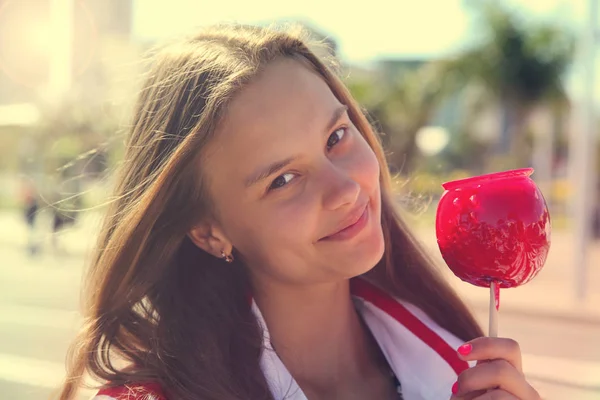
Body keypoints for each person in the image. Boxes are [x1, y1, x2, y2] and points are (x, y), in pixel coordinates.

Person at [58, 24, 541, 400]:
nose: (345, 190)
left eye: (336, 137)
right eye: (283, 180)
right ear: (207, 232)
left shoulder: (464, 364)